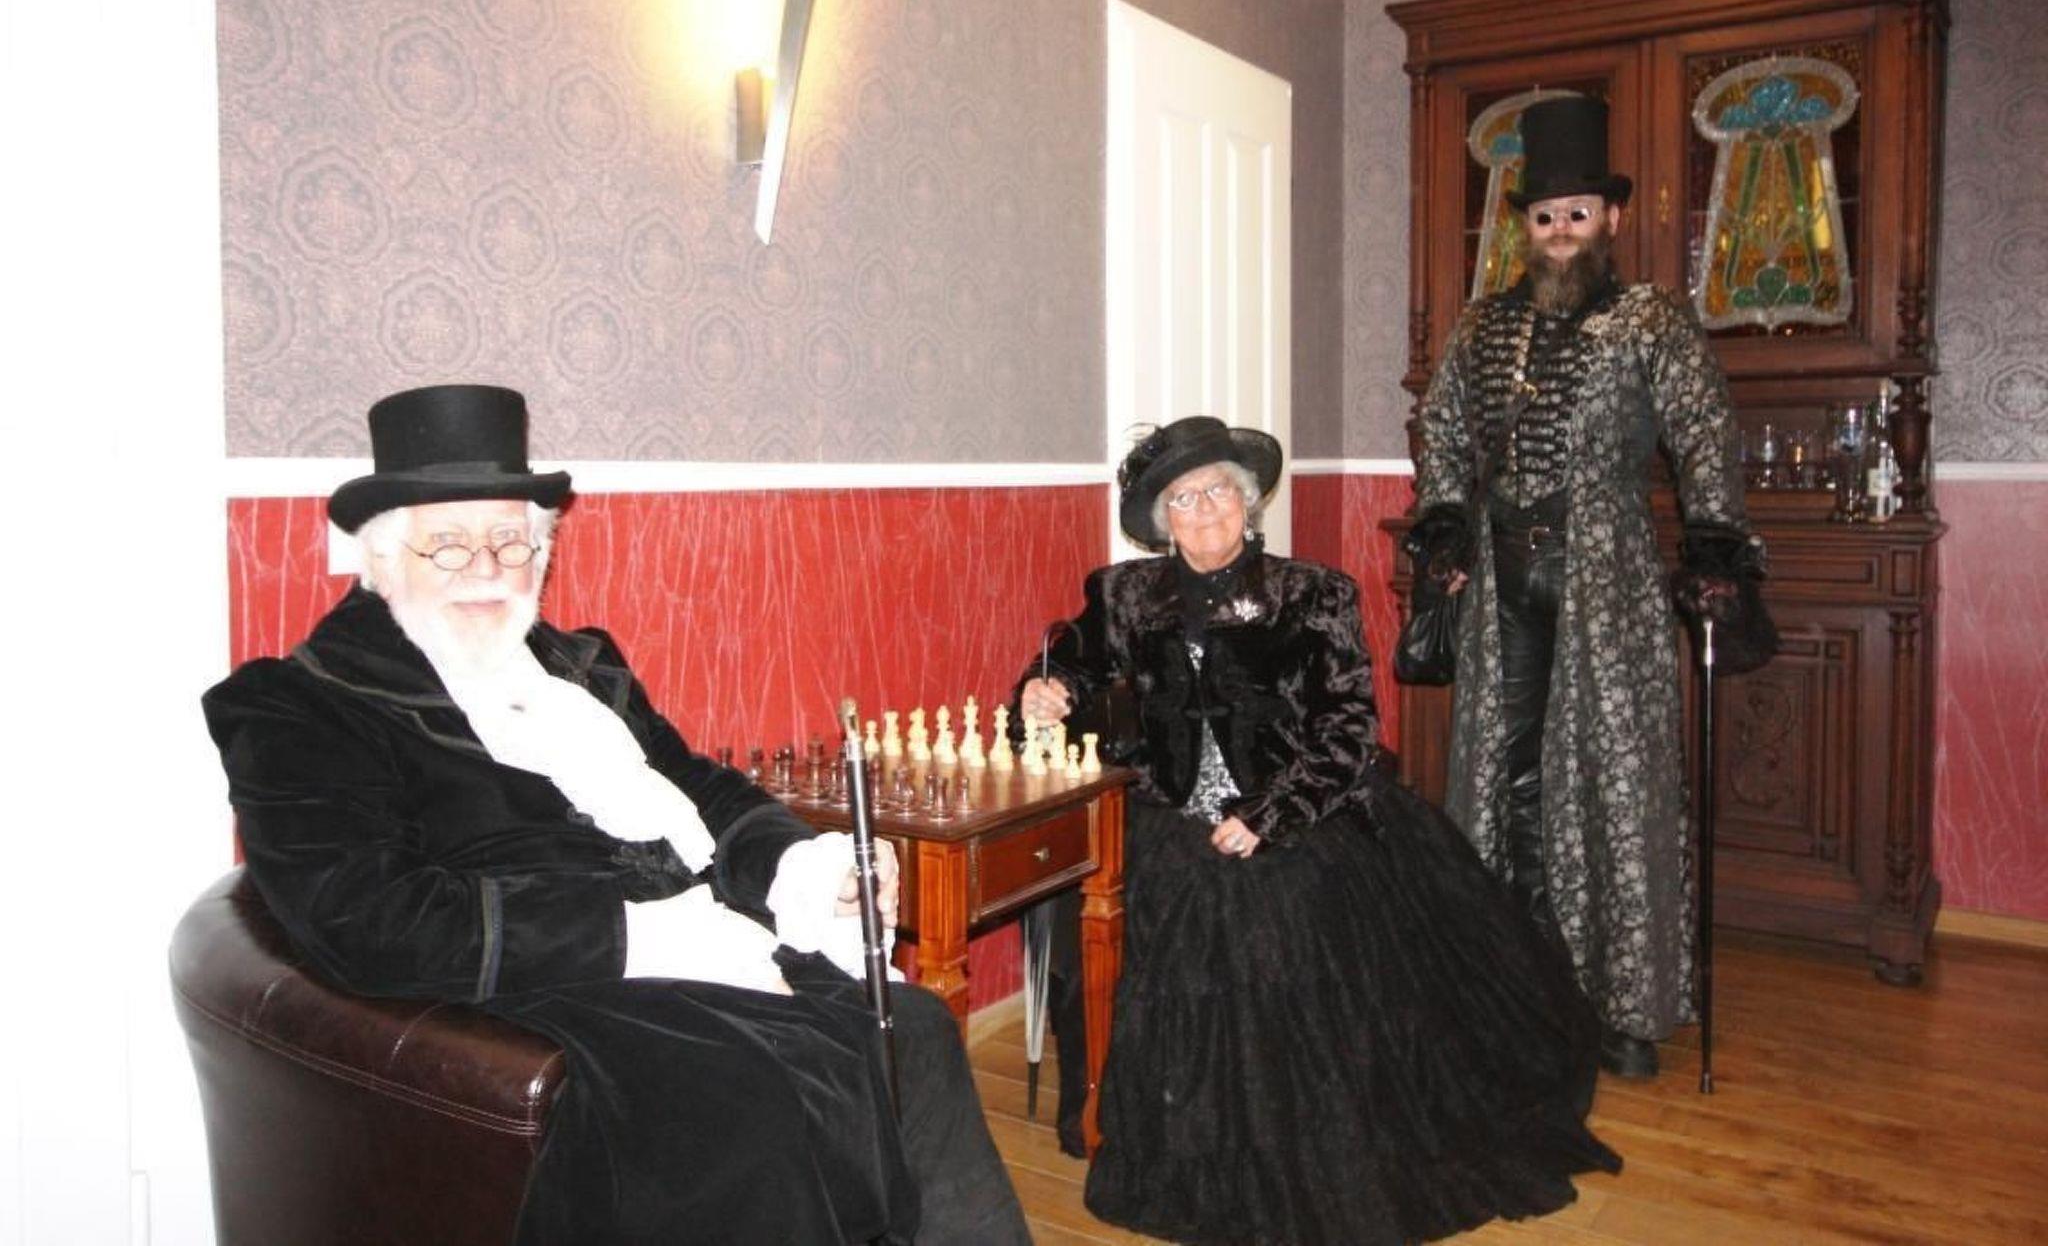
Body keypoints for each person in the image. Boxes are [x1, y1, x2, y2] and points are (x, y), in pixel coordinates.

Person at [202, 383, 1029, 1246]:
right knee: (762, 1093)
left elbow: (697, 785)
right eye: (446, 544)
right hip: (541, 988)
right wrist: (645, 937)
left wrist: (803, 864)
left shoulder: (580, 665)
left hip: (701, 937)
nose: (485, 568)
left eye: (510, 541)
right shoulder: (299, 706)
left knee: (914, 1029)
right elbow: (364, 919)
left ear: (542, 553)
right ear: (378, 560)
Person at [1017, 415, 1619, 1246]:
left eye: (1218, 491)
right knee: (1129, 896)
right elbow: (1068, 664)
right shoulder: (1124, 594)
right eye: (1183, 499)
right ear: (1161, 521)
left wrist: (1268, 817)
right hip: (1166, 811)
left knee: (1277, 915)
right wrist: (1042, 689)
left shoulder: (1313, 593)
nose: (1203, 510)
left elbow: (1348, 730)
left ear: (1249, 502)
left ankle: (1299, 1142)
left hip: (1303, 805)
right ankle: (1167, 1134)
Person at [1411, 95, 1772, 1080]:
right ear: (1523, 229)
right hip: (1501, 576)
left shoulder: (1650, 319)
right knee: (1504, 774)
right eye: (1543, 216)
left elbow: (1703, 433)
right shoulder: (1482, 325)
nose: (1560, 230)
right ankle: (1508, 986)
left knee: (1615, 778)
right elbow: (1441, 430)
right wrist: (1443, 520)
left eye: (1576, 213)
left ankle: (1619, 1006)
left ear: (1609, 218)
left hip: (1605, 573)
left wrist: (1713, 546)